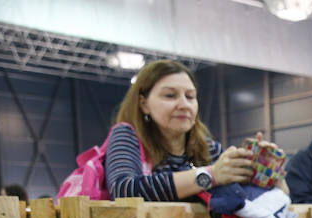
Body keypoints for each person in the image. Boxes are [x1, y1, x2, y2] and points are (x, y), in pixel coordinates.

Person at [105, 60, 279, 202]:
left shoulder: (209, 148)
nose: (184, 105)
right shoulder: (127, 136)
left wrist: (267, 172)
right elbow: (124, 190)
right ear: (144, 104)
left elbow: (253, 199)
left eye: (190, 96)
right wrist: (210, 176)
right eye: (170, 95)